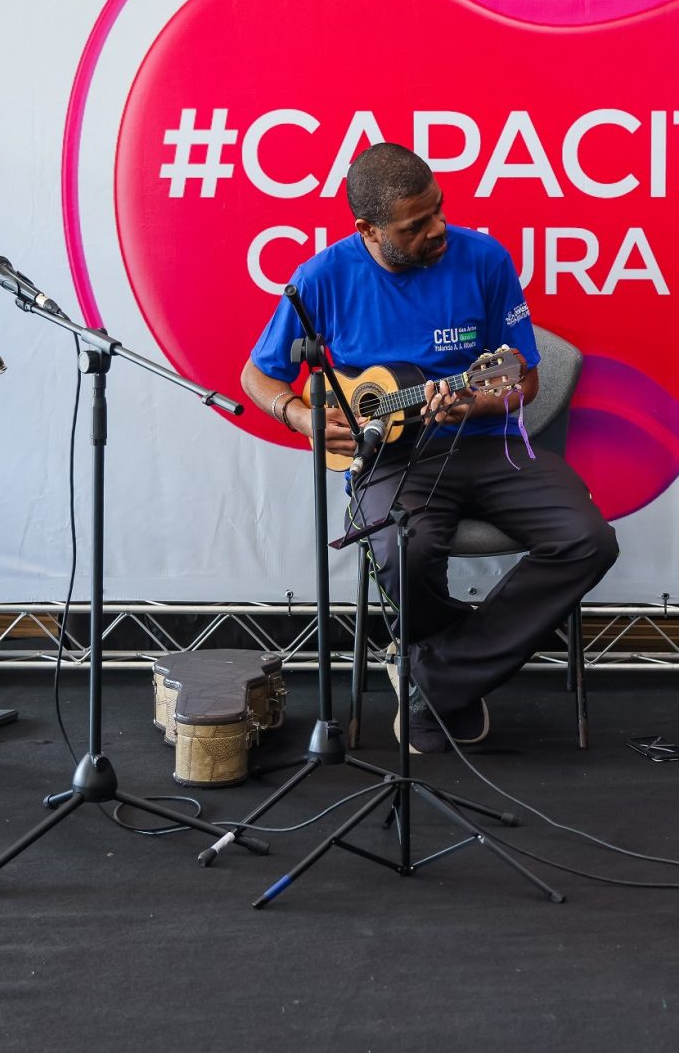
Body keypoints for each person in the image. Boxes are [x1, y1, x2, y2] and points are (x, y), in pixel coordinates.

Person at [240, 144, 618, 754]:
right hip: (391, 458)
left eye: (438, 210)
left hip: (489, 445)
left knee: (589, 540)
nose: (437, 228)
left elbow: (523, 382)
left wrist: (478, 403)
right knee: (401, 549)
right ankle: (447, 668)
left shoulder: (484, 260)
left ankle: (434, 674)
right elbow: (257, 375)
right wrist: (301, 416)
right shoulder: (322, 278)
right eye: (415, 226)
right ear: (368, 230)